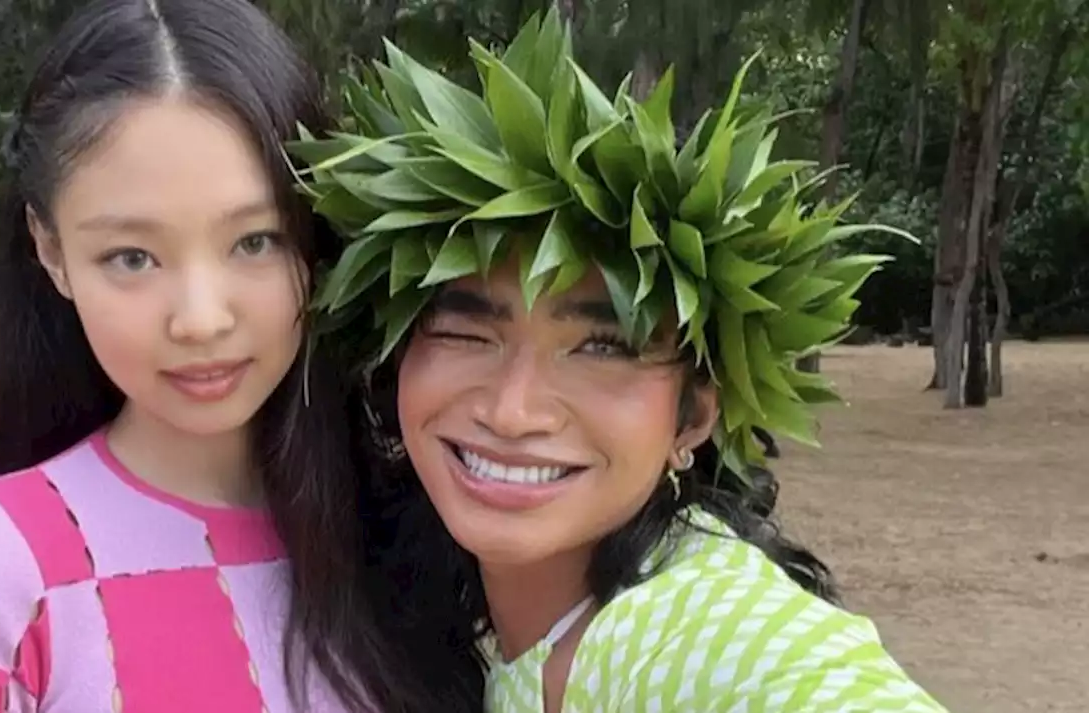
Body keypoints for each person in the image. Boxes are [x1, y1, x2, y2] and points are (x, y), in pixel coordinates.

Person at [294, 10, 948, 712]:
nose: (513, 410)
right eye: (464, 333)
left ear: (693, 415)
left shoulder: (703, 632)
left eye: (602, 348)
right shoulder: (463, 627)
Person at [0, 1, 469, 711]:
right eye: (133, 256)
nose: (201, 319)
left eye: (255, 240)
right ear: (51, 250)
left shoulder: (415, 536)